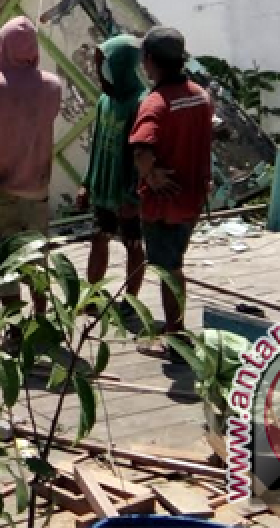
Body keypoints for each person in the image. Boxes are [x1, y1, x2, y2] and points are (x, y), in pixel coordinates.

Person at [0, 16, 63, 347]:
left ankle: (14, 329)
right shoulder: (52, 86)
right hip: (37, 190)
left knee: (1, 258)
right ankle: (42, 322)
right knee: (36, 258)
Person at [128, 27, 214, 347]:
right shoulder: (200, 95)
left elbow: (141, 149)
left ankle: (176, 334)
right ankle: (175, 328)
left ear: (149, 61)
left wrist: (149, 175)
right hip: (193, 197)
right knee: (174, 262)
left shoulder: (155, 103)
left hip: (164, 203)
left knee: (168, 268)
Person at [76, 35, 147, 314]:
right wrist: (86, 183)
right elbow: (96, 146)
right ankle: (92, 296)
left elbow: (143, 156)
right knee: (98, 237)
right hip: (103, 186)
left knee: (132, 244)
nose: (99, 74)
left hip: (127, 189)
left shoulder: (140, 103)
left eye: (104, 66)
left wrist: (133, 196)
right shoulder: (105, 100)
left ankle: (131, 301)